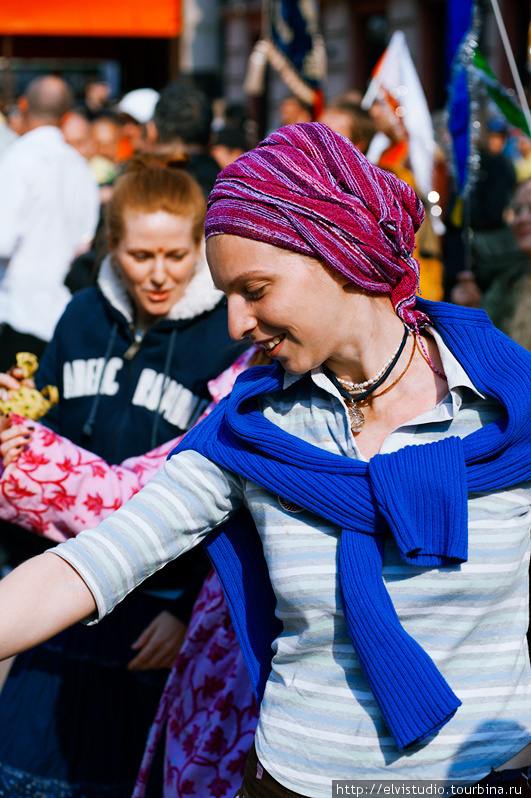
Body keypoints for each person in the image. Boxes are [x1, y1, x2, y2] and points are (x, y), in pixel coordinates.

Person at [0, 123, 531, 795]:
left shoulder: (509, 410)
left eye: (253, 288)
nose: (235, 323)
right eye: (225, 293)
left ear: (336, 253)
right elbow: (95, 561)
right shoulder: (250, 427)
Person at [0, 154, 247, 797]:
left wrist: (187, 608)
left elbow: (229, 494)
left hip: (154, 614)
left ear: (202, 245)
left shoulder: (228, 338)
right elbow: (45, 419)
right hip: (61, 587)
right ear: (112, 245)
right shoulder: (83, 313)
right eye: (141, 255)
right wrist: (16, 417)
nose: (159, 275)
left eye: (176, 254)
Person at [0, 346, 262, 798]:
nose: (237, 321)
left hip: (221, 658)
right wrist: (22, 440)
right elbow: (141, 508)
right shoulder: (251, 375)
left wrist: (180, 608)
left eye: (254, 291)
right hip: (192, 657)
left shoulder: (231, 348)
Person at [0, 76, 99, 371]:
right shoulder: (81, 167)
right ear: (67, 117)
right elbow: (85, 242)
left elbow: (2, 240)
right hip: (63, 316)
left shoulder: (16, 160)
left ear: (23, 105)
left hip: (18, 314)